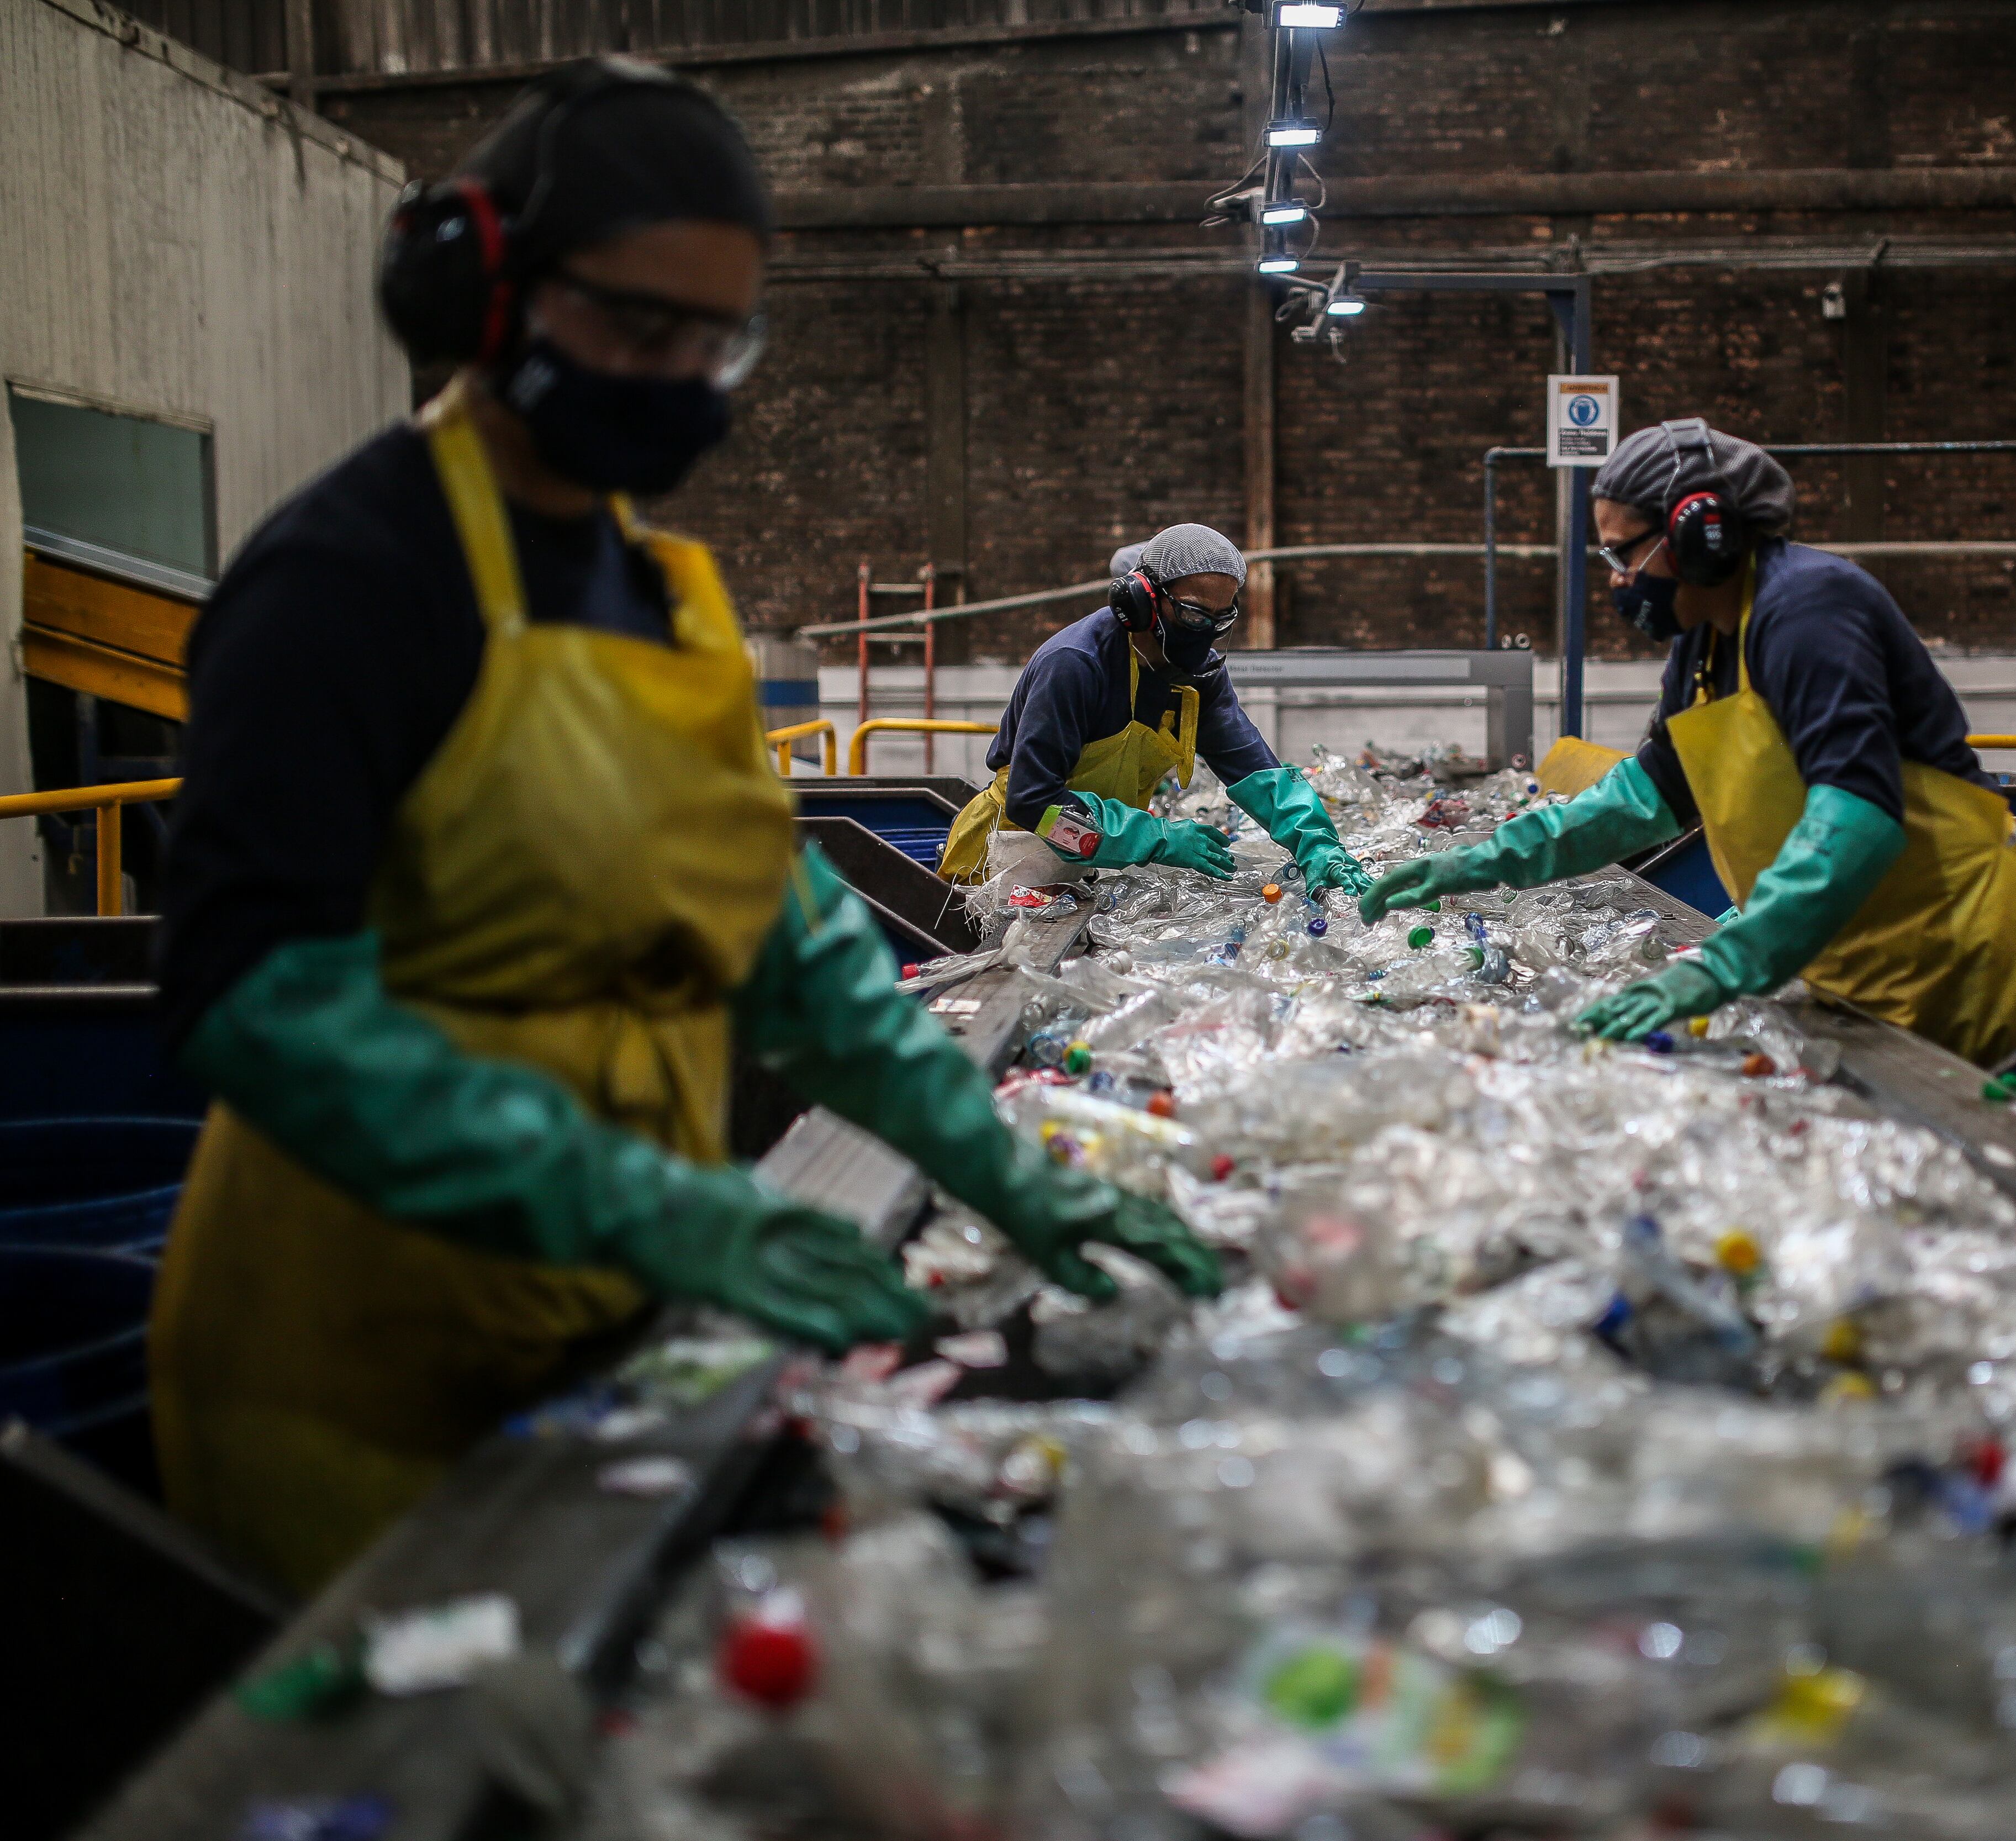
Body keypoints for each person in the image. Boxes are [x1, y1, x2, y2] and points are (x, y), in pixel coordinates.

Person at [149, 57, 1218, 1593]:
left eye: (715, 344)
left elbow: (786, 947)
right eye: (636, 327)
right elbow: (254, 1000)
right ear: (480, 289)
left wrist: (998, 1161)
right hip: (360, 1360)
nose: (677, 382)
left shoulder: (667, 600)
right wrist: (646, 1199)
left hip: (599, 1307)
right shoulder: (344, 579)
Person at [1363, 419, 2016, 1066]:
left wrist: (1721, 964)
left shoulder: (1809, 608)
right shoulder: (1703, 647)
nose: (1616, 580)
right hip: (1847, 954)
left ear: (1701, 534)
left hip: (1951, 956)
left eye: (1623, 552)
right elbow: (1643, 799)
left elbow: (1857, 814)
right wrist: (1480, 863)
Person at [938, 524, 1373, 900]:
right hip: (1002, 866)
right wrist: (1154, 837)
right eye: (1194, 614)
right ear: (1143, 600)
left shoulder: (1196, 674)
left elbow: (1253, 768)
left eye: (1221, 619)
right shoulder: (1074, 665)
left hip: (1090, 867)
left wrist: (1317, 843)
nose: (1205, 633)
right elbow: (1036, 805)